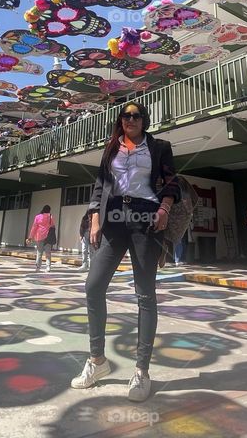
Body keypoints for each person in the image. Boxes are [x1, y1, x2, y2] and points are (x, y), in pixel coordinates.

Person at [70, 101, 178, 403]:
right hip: (114, 222)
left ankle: (142, 371)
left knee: (145, 295)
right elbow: (100, 186)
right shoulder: (111, 148)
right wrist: (94, 218)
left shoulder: (160, 147)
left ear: (144, 120)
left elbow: (171, 183)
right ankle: (97, 361)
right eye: (125, 116)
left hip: (146, 221)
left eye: (136, 116)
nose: (130, 119)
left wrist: (164, 209)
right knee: (93, 286)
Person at [27, 205, 57, 273]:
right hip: (48, 237)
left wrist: (30, 237)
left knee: (39, 253)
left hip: (39, 236)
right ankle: (48, 267)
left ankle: (38, 267)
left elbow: (34, 227)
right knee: (48, 253)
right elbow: (53, 226)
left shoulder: (37, 217)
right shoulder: (50, 216)